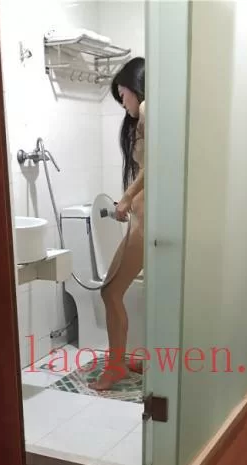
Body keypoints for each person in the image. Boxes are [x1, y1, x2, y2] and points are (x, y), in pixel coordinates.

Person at [90, 57, 146, 391]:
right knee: (114, 292)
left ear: (134, 87)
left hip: (146, 224)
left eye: (122, 94)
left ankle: (115, 368)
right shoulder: (146, 117)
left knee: (110, 291)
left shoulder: (149, 108)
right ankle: (124, 361)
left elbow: (155, 164)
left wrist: (125, 198)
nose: (122, 102)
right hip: (144, 221)